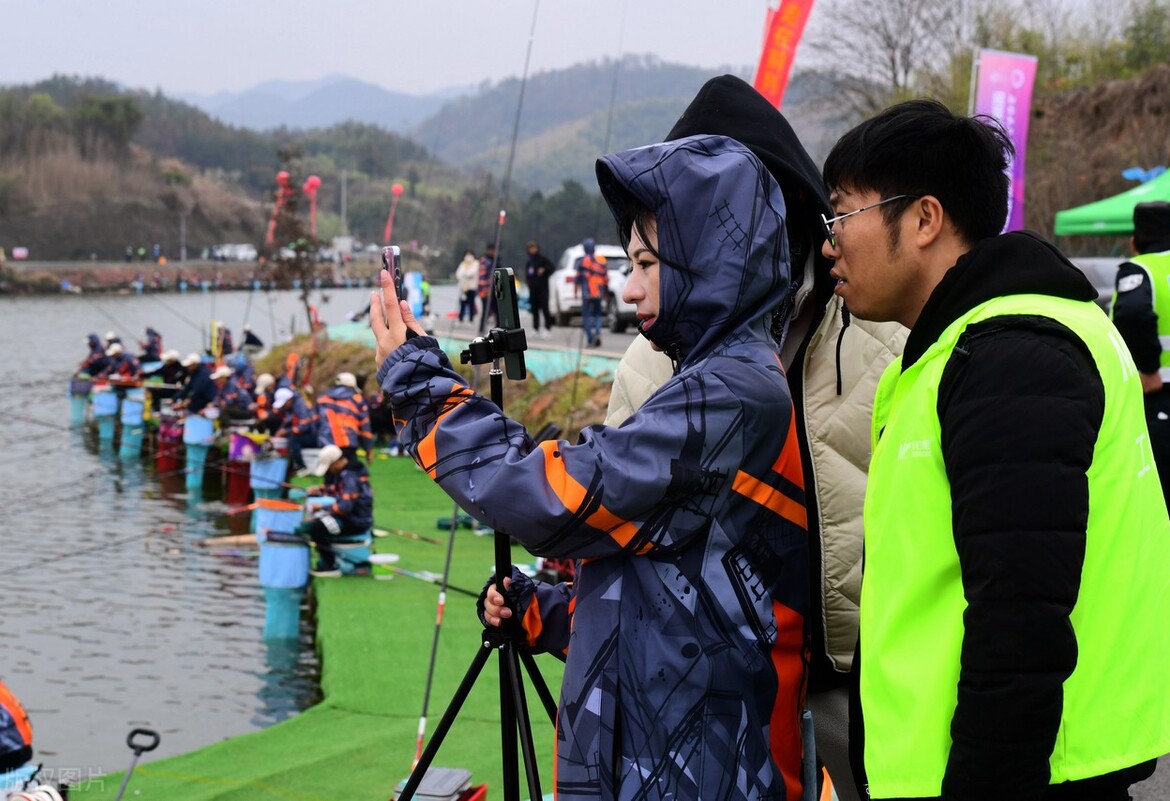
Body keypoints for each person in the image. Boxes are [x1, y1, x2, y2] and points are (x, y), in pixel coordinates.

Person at [374, 134, 810, 800]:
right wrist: (544, 612)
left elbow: (557, 496)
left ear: (710, 260)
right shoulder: (719, 379)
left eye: (647, 264)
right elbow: (668, 586)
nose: (628, 289)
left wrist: (419, 387)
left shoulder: (732, 392)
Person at [820, 98, 1170, 801]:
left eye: (842, 215)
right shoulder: (964, 347)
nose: (829, 245)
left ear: (925, 219)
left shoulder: (1012, 354)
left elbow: (1020, 618)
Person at [601, 74, 905, 801]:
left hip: (859, 675)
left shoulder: (883, 334)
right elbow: (615, 520)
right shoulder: (646, 361)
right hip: (717, 692)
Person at [1109, 200, 1170, 647]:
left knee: (1154, 515)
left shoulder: (1139, 270)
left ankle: (1164, 624)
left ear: (1135, 239)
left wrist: (1147, 368)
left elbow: (1131, 314)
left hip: (1163, 408)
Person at [300, 444, 374, 578]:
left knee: (316, 527)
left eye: (329, 466)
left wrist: (322, 508)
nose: (329, 470)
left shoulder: (350, 477)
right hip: (351, 517)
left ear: (336, 462)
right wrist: (320, 490)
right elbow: (338, 490)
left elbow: (345, 507)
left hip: (355, 521)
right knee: (317, 521)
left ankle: (329, 566)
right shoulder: (346, 472)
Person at [316, 372, 374, 462]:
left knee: (329, 469)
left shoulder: (322, 399)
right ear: (351, 386)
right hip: (347, 443)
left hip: (325, 442)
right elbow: (365, 426)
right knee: (351, 469)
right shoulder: (357, 400)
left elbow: (315, 422)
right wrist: (368, 449)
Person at [272, 387, 319, 473]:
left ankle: (302, 467)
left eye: (284, 404)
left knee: (293, 441)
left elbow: (305, 427)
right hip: (303, 433)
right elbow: (288, 422)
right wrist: (280, 431)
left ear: (289, 400)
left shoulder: (301, 405)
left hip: (313, 435)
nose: (283, 407)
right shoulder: (290, 408)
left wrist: (287, 431)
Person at [574, 237, 607, 347]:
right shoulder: (601, 260)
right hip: (598, 293)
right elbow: (605, 278)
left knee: (586, 317)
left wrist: (575, 293)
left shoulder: (582, 261)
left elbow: (577, 279)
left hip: (586, 294)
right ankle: (597, 331)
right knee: (597, 314)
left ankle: (590, 339)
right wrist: (605, 293)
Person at [524, 240, 555, 337]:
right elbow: (528, 274)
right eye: (531, 248)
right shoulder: (529, 261)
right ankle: (535, 328)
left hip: (543, 289)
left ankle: (547, 327)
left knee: (545, 308)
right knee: (534, 309)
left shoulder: (543, 259)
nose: (532, 250)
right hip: (533, 289)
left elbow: (552, 268)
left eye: (534, 247)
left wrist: (544, 270)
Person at [476, 242, 499, 334]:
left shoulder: (497, 260)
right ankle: (482, 330)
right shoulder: (484, 261)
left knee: (497, 309)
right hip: (485, 290)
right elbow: (482, 277)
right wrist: (485, 288)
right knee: (485, 310)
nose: (493, 252)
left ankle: (498, 328)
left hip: (495, 289)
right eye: (492, 250)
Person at [454, 249, 479, 325]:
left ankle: (471, 319)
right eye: (467, 254)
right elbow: (458, 274)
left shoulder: (476, 263)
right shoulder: (463, 264)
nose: (468, 256)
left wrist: (464, 274)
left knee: (471, 303)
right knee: (462, 303)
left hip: (471, 287)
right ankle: (460, 319)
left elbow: (471, 273)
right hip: (463, 287)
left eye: (470, 254)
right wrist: (464, 274)